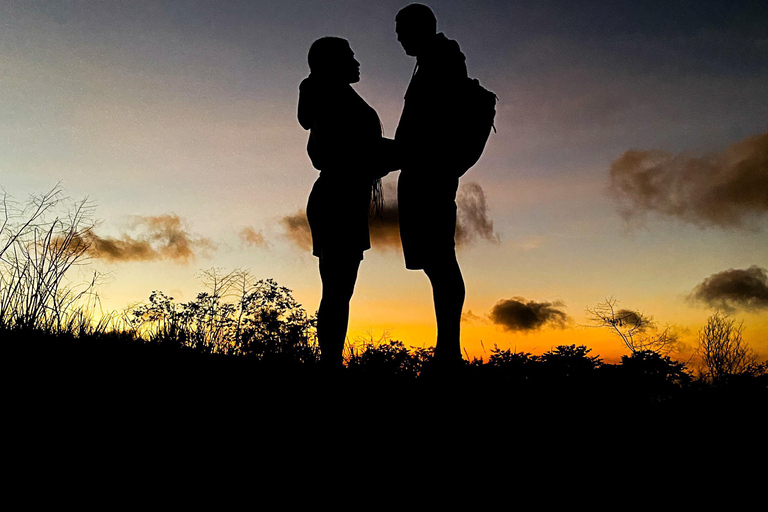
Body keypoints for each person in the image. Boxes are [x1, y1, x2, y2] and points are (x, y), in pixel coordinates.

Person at [298, 37, 397, 370]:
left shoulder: (335, 95)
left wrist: (398, 153)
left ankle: (330, 362)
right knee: (338, 291)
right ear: (333, 62)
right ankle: (329, 365)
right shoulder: (330, 94)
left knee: (339, 290)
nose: (357, 62)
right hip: (338, 198)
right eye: (350, 56)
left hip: (343, 198)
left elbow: (363, 150)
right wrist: (407, 152)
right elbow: (349, 151)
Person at [394, 4, 469, 369]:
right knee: (436, 263)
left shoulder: (442, 58)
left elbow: (433, 123)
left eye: (401, 29)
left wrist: (400, 152)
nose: (397, 37)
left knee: (440, 262)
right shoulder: (432, 59)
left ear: (421, 27)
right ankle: (447, 352)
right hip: (423, 174)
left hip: (431, 176)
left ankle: (448, 353)